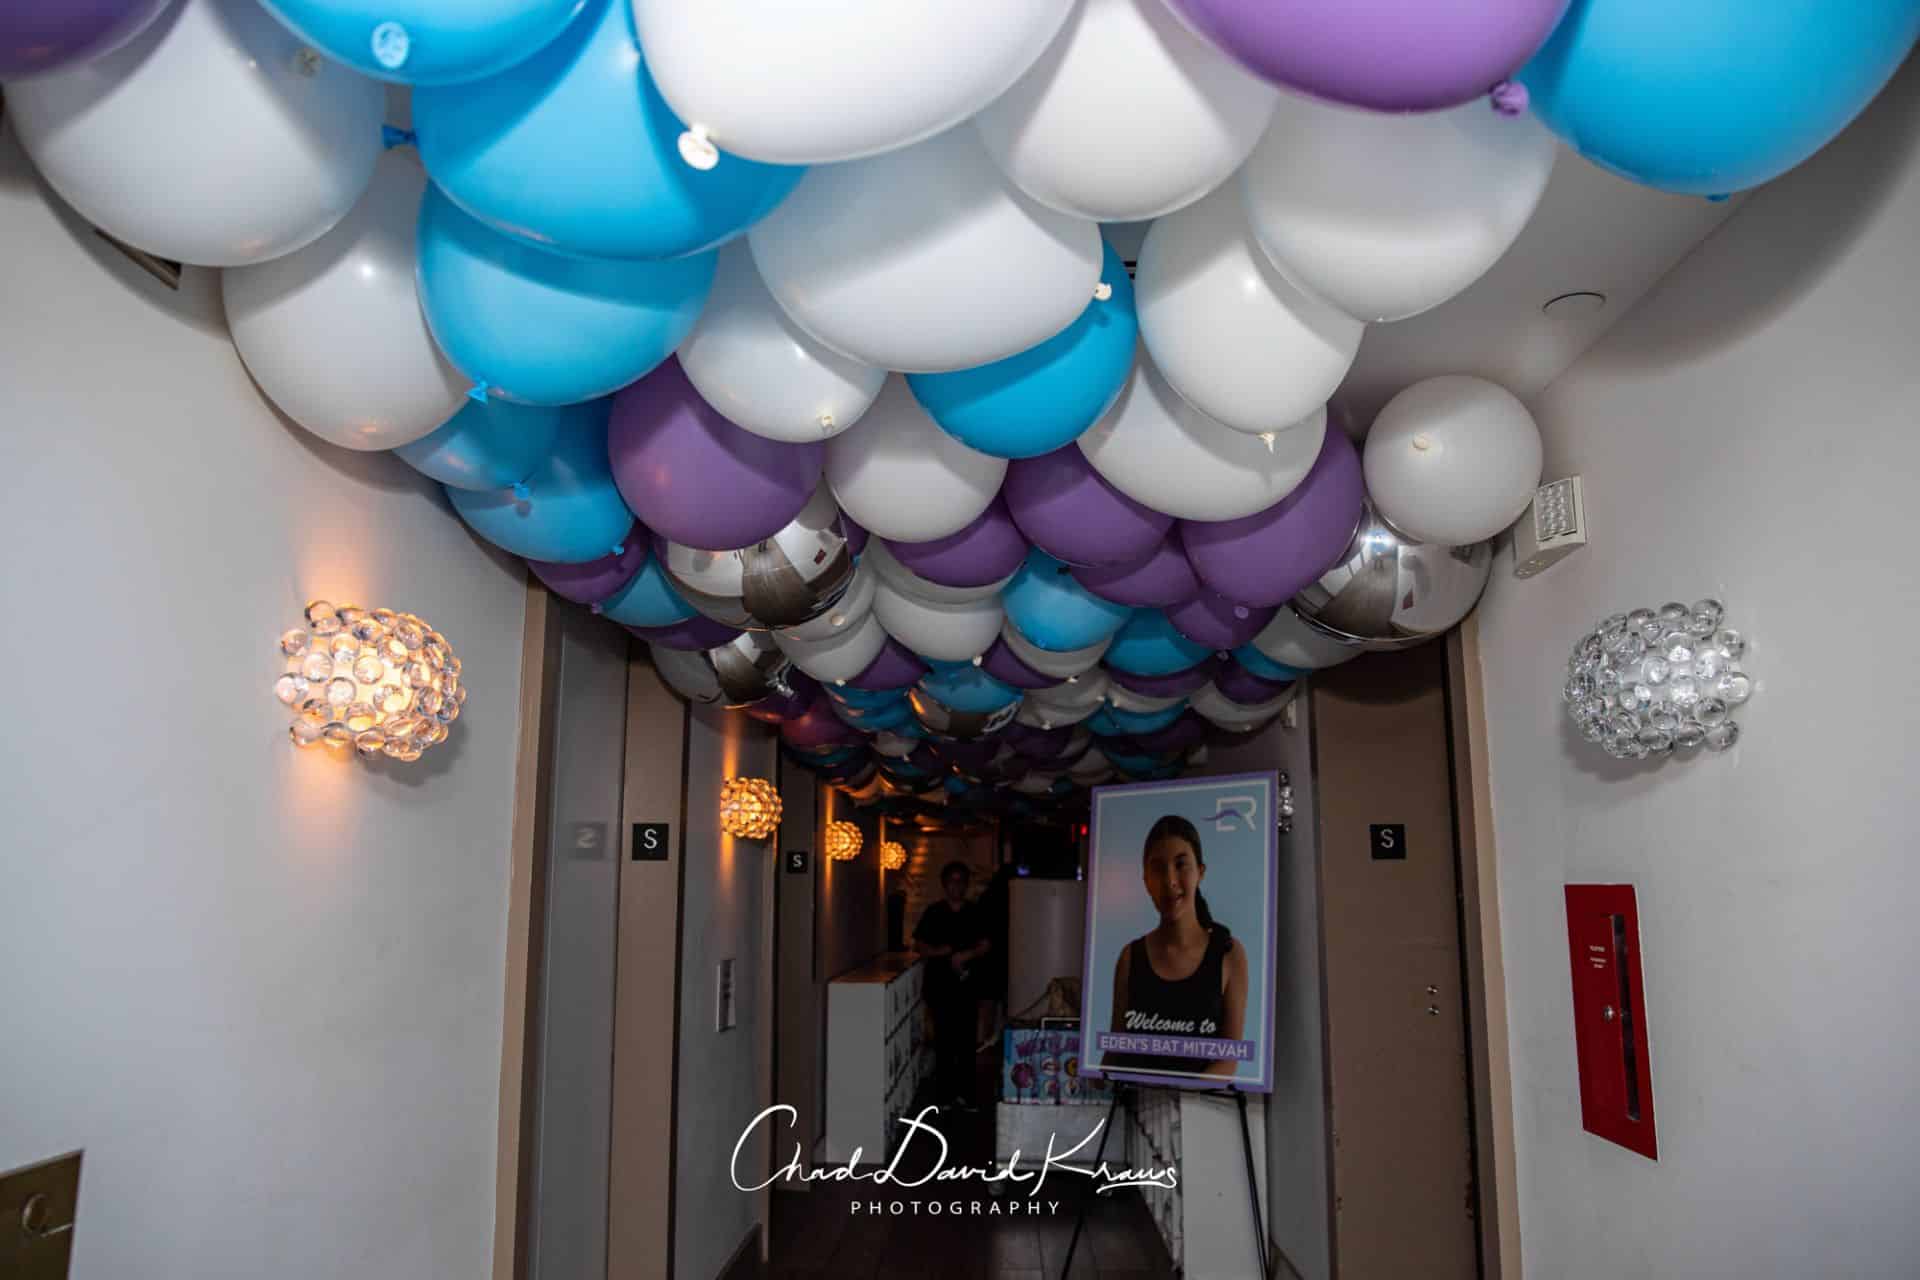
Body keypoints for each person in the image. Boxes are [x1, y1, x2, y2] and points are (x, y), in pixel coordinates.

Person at [1104, 815, 1249, 1079]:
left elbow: (1228, 1061)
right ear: (1146, 880)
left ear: (1200, 872)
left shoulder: (1229, 954)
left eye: (1181, 865)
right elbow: (1115, 1052)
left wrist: (1179, 1094)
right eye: (1158, 868)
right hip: (1136, 1102)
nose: (1170, 880)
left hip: (1201, 1104)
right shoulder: (1130, 956)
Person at [912, 861, 991, 1110]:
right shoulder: (934, 912)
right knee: (943, 1044)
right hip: (940, 988)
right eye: (952, 881)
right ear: (944, 884)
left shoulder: (975, 912)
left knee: (967, 1043)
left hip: (967, 988)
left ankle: (967, 1096)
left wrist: (966, 955)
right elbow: (920, 945)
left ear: (966, 884)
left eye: (960, 881)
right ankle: (944, 1097)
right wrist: (942, 952)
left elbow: (986, 944)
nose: (956, 886)